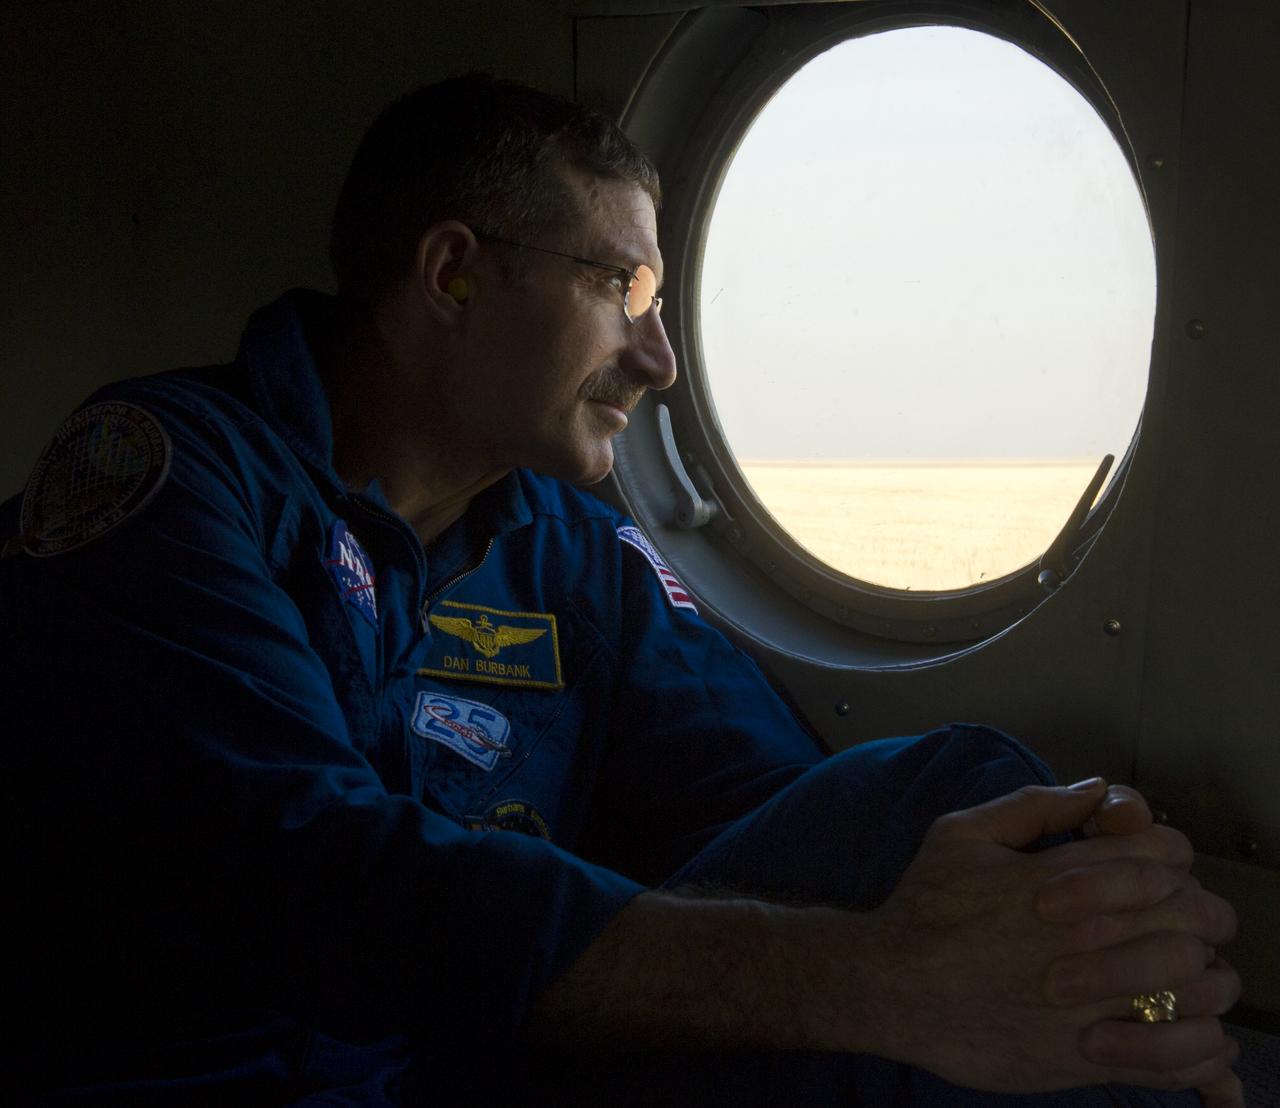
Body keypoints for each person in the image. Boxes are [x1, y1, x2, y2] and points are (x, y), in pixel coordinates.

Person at [0, 75, 1242, 1106]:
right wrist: (876, 980)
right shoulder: (168, 477)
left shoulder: (570, 549)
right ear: (452, 276)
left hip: (469, 1067)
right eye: (621, 292)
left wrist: (1073, 909)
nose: (657, 361)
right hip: (186, 1077)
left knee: (968, 795)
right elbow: (314, 879)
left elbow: (770, 808)